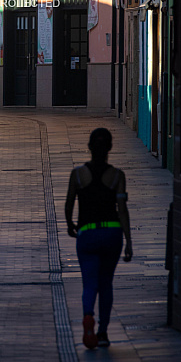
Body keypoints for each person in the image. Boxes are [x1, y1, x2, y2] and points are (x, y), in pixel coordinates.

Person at [65, 127, 133, 350]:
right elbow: (122, 209)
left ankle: (87, 316)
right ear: (110, 148)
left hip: (87, 233)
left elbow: (69, 205)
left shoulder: (77, 175)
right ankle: (103, 332)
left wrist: (70, 225)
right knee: (106, 283)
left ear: (89, 147)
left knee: (89, 283)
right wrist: (129, 241)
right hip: (112, 233)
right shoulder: (117, 176)